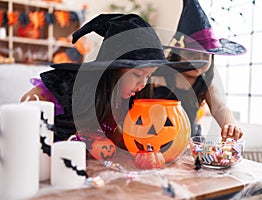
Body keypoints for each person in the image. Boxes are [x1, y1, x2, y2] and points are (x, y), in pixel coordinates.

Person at [20, 13, 207, 149]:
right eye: (137, 75)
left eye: (148, 76)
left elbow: (120, 137)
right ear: (114, 69)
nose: (143, 84)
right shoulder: (70, 86)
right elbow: (28, 101)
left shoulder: (126, 100)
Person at [152, 0, 247, 141]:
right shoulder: (161, 77)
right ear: (177, 54)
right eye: (192, 54)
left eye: (206, 56)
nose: (200, 61)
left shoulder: (205, 84)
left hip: (189, 139)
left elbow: (220, 107)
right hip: (156, 138)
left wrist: (230, 124)